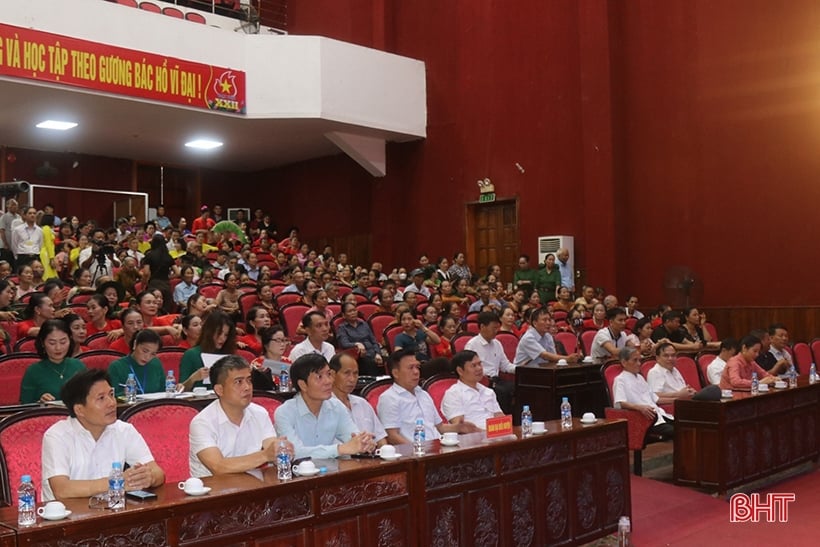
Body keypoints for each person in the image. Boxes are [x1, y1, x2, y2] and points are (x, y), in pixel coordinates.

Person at [41, 369, 165, 501]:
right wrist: (118, 482)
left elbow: (158, 473)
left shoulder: (124, 430)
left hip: (111, 513)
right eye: (101, 398)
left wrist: (148, 478)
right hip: (68, 518)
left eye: (111, 394)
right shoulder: (57, 436)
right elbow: (62, 490)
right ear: (79, 410)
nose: (111, 403)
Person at [188, 355, 294, 478]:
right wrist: (265, 455)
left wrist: (281, 451)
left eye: (249, 380)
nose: (247, 387)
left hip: (251, 486)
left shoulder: (259, 413)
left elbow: (271, 447)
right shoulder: (202, 422)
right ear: (219, 390)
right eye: (239, 382)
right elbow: (218, 467)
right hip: (212, 491)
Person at [274, 354, 375, 459]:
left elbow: (353, 438)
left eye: (329, 374)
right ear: (303, 385)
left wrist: (364, 443)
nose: (329, 381)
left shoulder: (336, 406)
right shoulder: (284, 413)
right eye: (319, 377)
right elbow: (294, 453)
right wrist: (340, 449)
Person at [377, 349, 479, 444]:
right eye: (410, 368)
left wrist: (459, 428)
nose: (416, 372)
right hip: (415, 455)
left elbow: (440, 427)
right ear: (396, 373)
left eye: (417, 367)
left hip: (438, 447)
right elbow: (392, 436)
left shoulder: (423, 394)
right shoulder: (389, 398)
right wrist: (418, 450)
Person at [612, 346, 674, 437]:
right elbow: (620, 403)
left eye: (639, 360)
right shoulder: (620, 380)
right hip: (644, 419)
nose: (638, 364)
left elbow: (655, 399)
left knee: (686, 426)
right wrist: (639, 407)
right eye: (635, 360)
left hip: (659, 415)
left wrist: (677, 399)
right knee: (679, 431)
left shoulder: (640, 377)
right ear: (624, 362)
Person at [20, 319, 87, 404]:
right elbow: (25, 406)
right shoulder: (33, 371)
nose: (58, 348)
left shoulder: (79, 366)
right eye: (52, 343)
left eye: (63, 342)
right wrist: (39, 402)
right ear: (42, 343)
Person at [329, 353, 388, 447]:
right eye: (347, 373)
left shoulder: (363, 404)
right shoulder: (325, 407)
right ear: (332, 374)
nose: (352, 379)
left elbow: (381, 439)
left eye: (355, 374)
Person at [464, 311, 517, 414]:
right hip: (483, 381)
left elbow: (505, 365)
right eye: (494, 328)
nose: (496, 331)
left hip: (497, 380)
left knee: (518, 388)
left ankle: (515, 421)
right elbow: (469, 370)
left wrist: (520, 369)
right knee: (502, 392)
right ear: (483, 327)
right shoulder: (472, 345)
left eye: (497, 328)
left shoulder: (497, 343)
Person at [441, 350, 502, 429]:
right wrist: (486, 432)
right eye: (473, 365)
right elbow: (460, 427)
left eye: (480, 364)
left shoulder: (488, 391)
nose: (479, 368)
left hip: (496, 435)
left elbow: (500, 417)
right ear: (460, 371)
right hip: (472, 438)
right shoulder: (453, 394)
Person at [180, 310, 237, 391]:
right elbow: (180, 390)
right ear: (209, 332)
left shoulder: (229, 355)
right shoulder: (191, 354)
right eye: (219, 333)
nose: (222, 338)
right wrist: (193, 379)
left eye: (226, 335)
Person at [108, 329, 165, 397]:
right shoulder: (116, 367)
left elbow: (164, 391)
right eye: (145, 351)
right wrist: (123, 393)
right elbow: (111, 397)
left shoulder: (155, 363)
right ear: (135, 344)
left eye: (153, 354)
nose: (147, 357)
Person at [514, 307, 580, 365]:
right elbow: (545, 355)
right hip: (523, 373)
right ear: (535, 323)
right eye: (544, 320)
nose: (548, 323)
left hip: (542, 370)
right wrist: (568, 359)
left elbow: (553, 356)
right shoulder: (528, 337)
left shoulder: (548, 335)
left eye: (549, 320)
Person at [335, 301, 383, 375]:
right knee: (369, 363)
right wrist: (356, 344)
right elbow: (344, 344)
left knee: (392, 360)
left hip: (373, 353)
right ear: (344, 315)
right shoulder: (342, 328)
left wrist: (378, 353)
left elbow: (374, 341)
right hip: (359, 356)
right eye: (350, 311)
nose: (353, 313)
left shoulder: (364, 324)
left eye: (354, 310)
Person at [142, 234, 177, 315]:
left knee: (152, 309)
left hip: (154, 284)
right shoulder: (168, 256)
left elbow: (146, 273)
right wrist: (168, 277)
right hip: (166, 285)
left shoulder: (149, 255)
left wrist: (143, 284)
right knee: (166, 311)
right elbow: (177, 272)